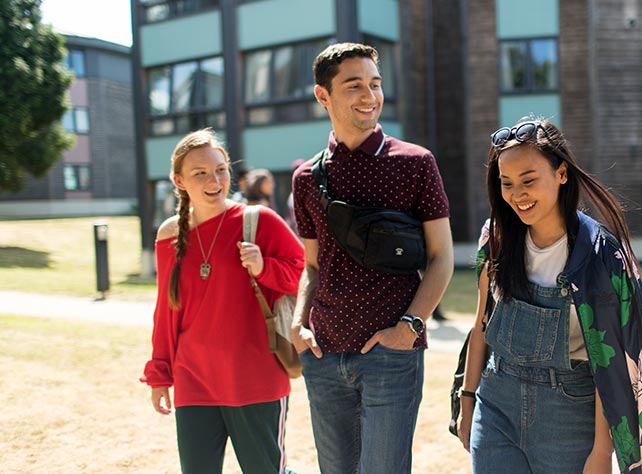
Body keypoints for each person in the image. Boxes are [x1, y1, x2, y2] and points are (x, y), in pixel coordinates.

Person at [456, 119, 642, 473]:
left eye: (528, 181)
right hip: (496, 404)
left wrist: (601, 453)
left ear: (561, 174)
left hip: (570, 413)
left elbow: (612, 360)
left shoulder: (600, 255)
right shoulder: (495, 237)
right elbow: (482, 324)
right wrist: (467, 400)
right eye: (506, 184)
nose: (517, 195)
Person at [290, 42, 454, 474]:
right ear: (322, 95)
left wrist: (410, 327)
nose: (370, 95)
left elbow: (442, 258)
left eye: (375, 84)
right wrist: (297, 322)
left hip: (391, 354)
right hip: (323, 353)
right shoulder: (306, 177)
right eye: (354, 85)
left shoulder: (416, 163)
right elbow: (311, 264)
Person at [140, 128, 305, 474]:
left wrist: (264, 268)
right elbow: (167, 311)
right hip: (193, 380)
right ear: (179, 181)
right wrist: (160, 374)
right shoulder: (169, 234)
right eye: (200, 173)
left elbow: (306, 276)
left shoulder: (259, 221)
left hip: (256, 378)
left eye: (221, 169)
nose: (214, 180)